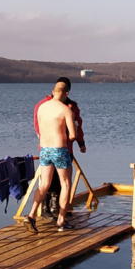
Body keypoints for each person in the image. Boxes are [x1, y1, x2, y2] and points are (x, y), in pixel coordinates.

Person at [25, 81, 76, 233]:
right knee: (65, 185)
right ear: (66, 93)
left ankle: (32, 215)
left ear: (53, 92)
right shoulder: (66, 110)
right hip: (59, 149)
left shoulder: (41, 107)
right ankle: (61, 221)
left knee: (44, 184)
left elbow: (39, 129)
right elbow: (72, 135)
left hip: (45, 149)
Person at [33, 76, 86, 220]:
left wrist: (81, 143)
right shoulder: (45, 105)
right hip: (57, 147)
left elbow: (78, 124)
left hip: (56, 148)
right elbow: (38, 125)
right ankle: (48, 210)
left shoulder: (71, 106)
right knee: (58, 182)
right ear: (66, 91)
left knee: (54, 182)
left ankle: (55, 208)